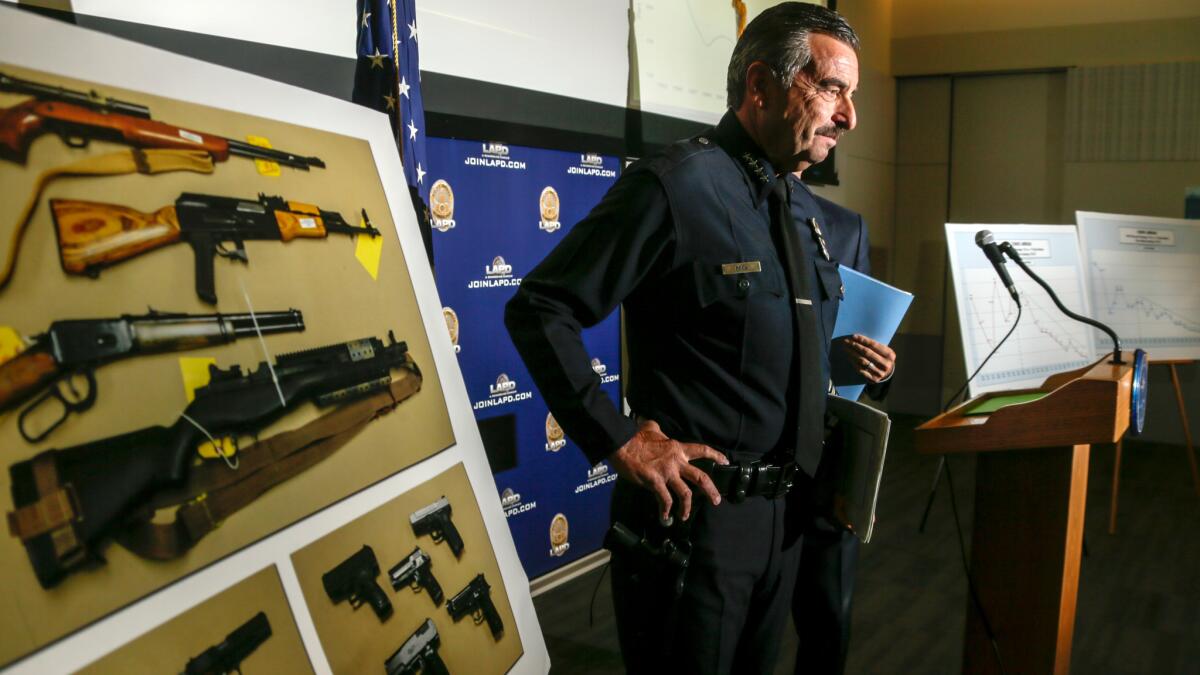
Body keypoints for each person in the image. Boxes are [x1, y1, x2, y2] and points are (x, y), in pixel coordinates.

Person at [506, 4, 863, 673]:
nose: (849, 117)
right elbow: (541, 307)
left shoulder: (798, 208)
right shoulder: (674, 187)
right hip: (698, 527)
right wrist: (619, 435)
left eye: (851, 96)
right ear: (761, 85)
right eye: (833, 90)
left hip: (782, 524)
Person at [786, 168, 896, 674]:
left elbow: (861, 338)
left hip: (826, 469)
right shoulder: (720, 208)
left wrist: (880, 367)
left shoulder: (846, 228)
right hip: (740, 465)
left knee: (828, 625)